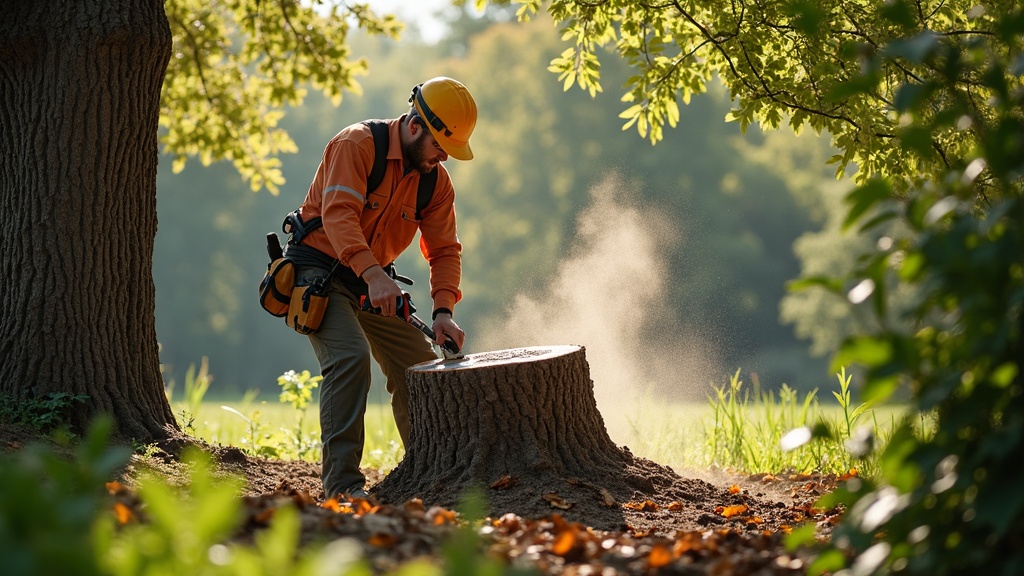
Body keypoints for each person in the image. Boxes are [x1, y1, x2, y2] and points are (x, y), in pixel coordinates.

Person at [283, 77, 476, 499]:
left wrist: (444, 311)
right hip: (318, 270)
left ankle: (434, 476)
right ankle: (343, 490)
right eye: (440, 146)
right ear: (414, 126)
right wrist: (372, 274)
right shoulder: (357, 145)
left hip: (374, 279)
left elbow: (444, 249)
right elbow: (338, 217)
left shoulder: (435, 182)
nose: (444, 157)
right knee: (350, 359)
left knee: (420, 370)